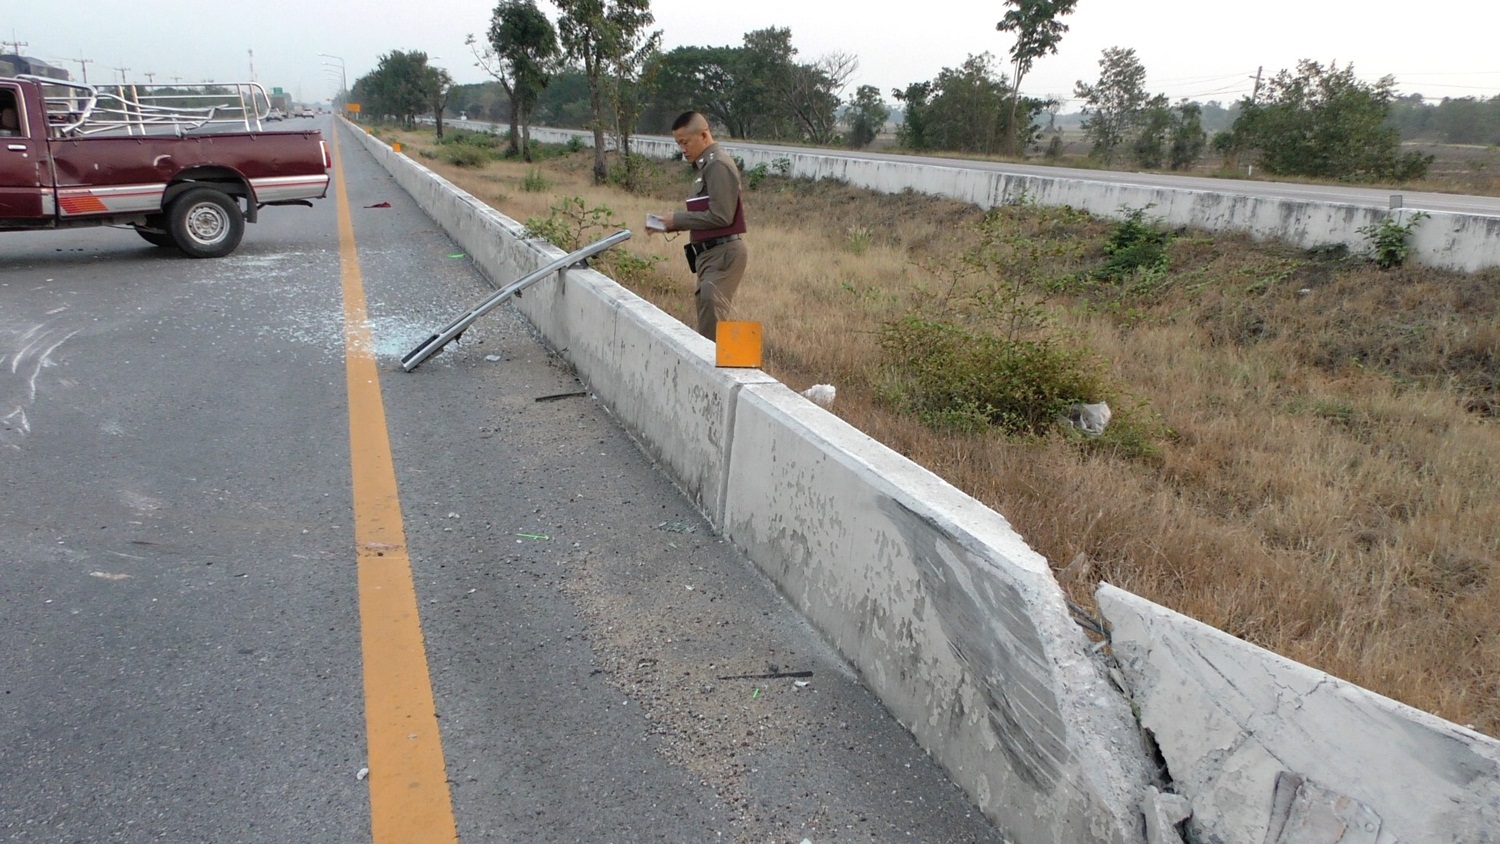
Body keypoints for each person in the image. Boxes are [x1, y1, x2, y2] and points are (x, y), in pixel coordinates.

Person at [649, 111, 748, 341]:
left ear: (703, 136)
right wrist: (666, 224)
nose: (682, 149)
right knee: (707, 321)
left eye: (684, 142)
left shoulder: (718, 165)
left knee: (711, 332)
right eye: (678, 143)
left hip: (723, 254)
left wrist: (678, 220)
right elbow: (704, 212)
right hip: (709, 254)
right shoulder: (705, 166)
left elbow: (722, 216)